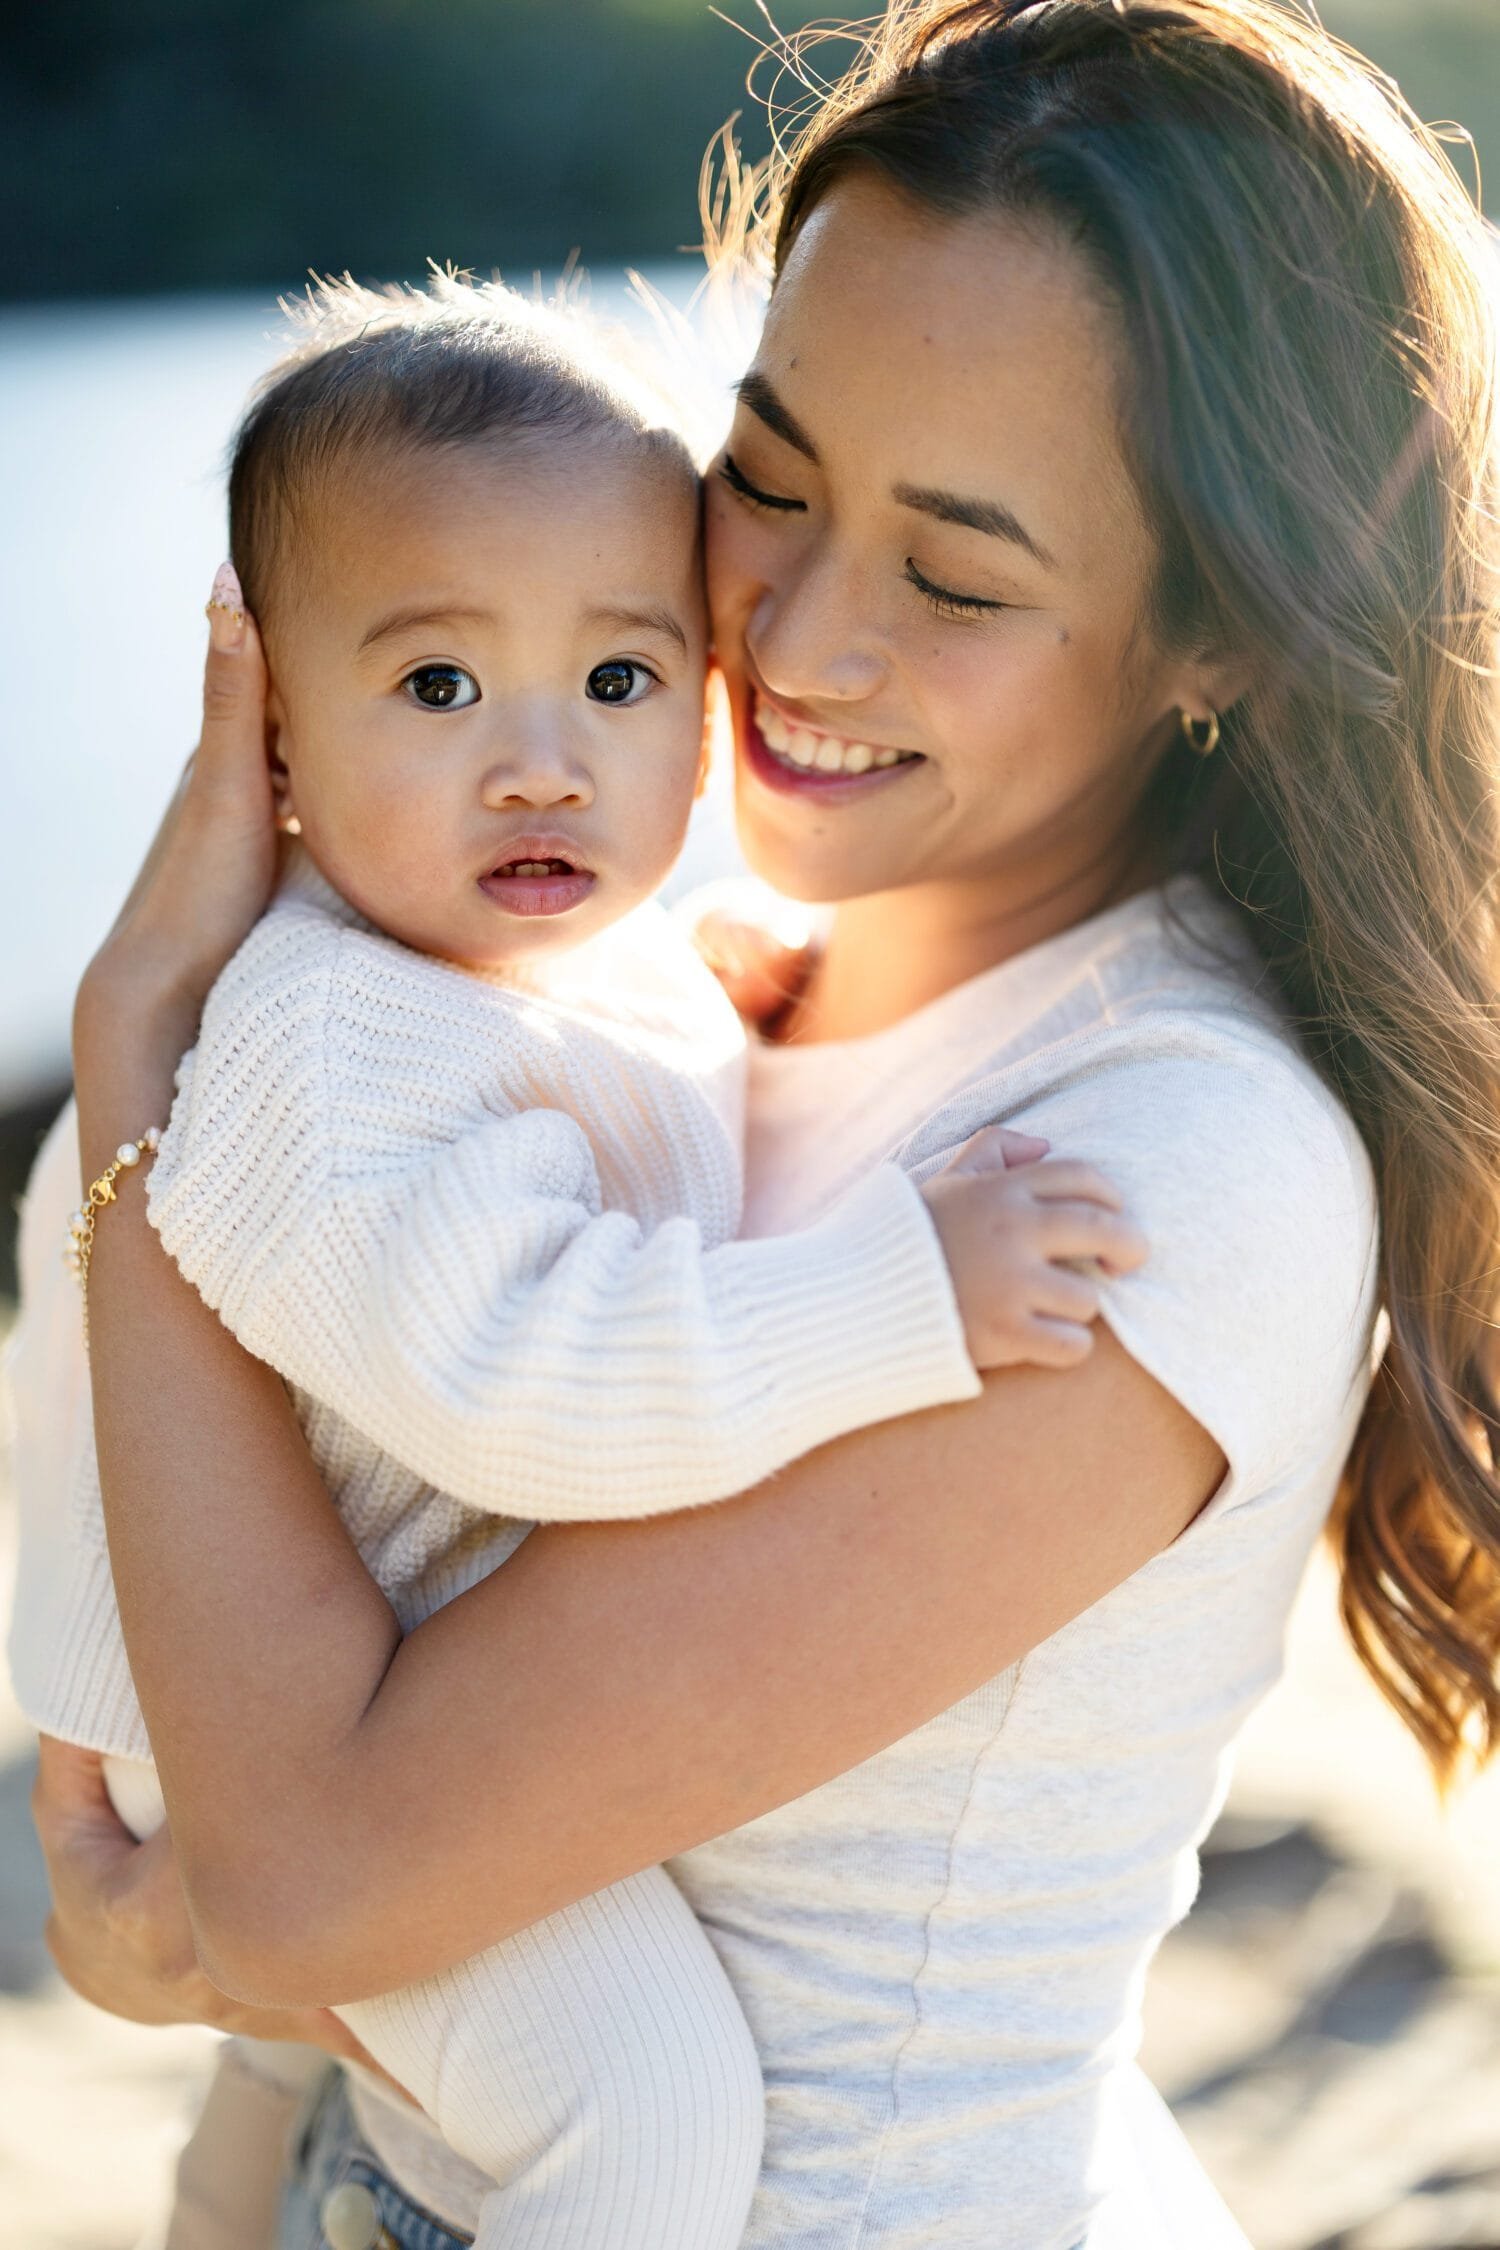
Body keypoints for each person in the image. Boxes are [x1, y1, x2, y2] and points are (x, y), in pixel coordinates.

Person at [28, 0, 1500, 2243]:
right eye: (775, 479)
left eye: (960, 574)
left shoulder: (1163, 1182)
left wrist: (141, 1049)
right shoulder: (684, 997)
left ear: (1226, 643)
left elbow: (317, 1873)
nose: (798, 635)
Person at [8, 271, 1138, 2250]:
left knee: (275, 2080)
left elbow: (604, 1086)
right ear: (266, 730)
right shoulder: (321, 1035)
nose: (538, 762)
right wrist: (899, 1292)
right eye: (438, 688)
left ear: (700, 708)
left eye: (617, 682)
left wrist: (753, 1006)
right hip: (285, 1737)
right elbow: (519, 1375)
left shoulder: (563, 962)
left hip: (359, 1690)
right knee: (643, 2104)